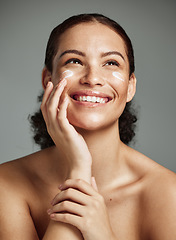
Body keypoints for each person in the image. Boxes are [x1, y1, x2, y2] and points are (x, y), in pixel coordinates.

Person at [0, 13, 176, 240]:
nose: (92, 78)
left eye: (111, 63)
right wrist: (79, 168)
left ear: (131, 87)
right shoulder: (6, 184)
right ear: (48, 80)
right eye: (74, 61)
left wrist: (101, 234)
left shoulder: (168, 193)